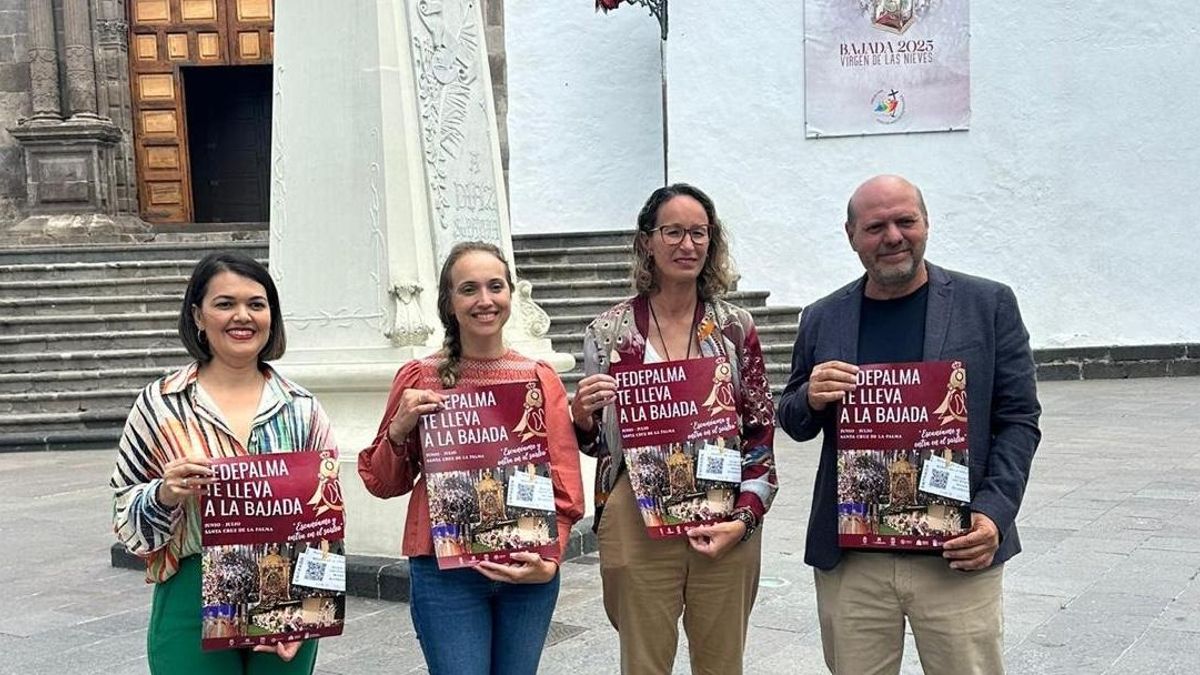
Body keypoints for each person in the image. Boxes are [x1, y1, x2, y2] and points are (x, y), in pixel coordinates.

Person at [777, 175, 1042, 674]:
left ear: (926, 223)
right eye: (876, 226)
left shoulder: (988, 304)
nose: (893, 237)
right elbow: (793, 418)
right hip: (854, 558)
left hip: (955, 550)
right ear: (851, 235)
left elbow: (1019, 419)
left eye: (905, 221)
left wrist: (992, 514)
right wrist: (810, 396)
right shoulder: (822, 317)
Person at [572, 183, 777, 675]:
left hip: (723, 514)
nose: (688, 245)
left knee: (722, 664)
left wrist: (744, 518)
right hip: (637, 516)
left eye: (699, 233)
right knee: (644, 662)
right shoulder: (609, 333)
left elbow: (759, 431)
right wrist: (581, 416)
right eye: (673, 232)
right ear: (647, 240)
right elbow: (601, 444)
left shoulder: (734, 328)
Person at [358, 241, 585, 675]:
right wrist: (399, 429)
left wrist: (550, 559)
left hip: (526, 566)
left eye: (495, 286)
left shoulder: (537, 378)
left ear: (510, 293)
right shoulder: (419, 378)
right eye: (469, 289)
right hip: (445, 573)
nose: (485, 300)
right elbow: (383, 482)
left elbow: (563, 479)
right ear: (449, 302)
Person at [110, 251, 334, 674]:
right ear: (198, 315)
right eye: (225, 303)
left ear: (271, 316)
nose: (242, 316)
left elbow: (323, 525)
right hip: (191, 593)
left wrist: (311, 611)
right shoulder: (160, 406)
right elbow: (126, 520)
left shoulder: (303, 409)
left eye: (256, 304)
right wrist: (163, 494)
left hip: (282, 594)